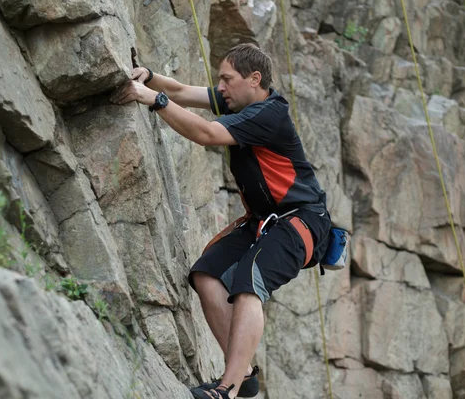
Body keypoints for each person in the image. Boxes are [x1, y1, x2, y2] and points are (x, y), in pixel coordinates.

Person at [110, 43, 331, 399]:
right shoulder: (238, 102)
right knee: (206, 274)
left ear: (254, 79)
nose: (221, 87)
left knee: (249, 281)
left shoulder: (268, 115)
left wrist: (154, 100)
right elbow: (181, 91)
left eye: (227, 79)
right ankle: (242, 373)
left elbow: (207, 134)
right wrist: (150, 78)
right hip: (266, 219)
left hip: (302, 221)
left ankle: (226, 390)